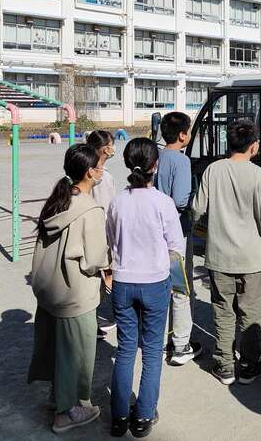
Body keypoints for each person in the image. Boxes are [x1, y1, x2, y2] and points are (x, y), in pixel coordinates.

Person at [191, 118, 261, 386]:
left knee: (223, 310)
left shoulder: (212, 171)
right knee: (251, 313)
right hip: (252, 259)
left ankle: (224, 365)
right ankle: (250, 363)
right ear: (254, 147)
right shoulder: (260, 177)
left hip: (219, 256)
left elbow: (197, 209)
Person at [28, 144, 109, 434]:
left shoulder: (57, 201)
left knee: (58, 352)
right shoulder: (89, 209)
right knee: (77, 356)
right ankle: (66, 412)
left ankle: (58, 399)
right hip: (76, 294)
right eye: (100, 164)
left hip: (50, 291)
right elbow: (95, 259)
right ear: (90, 172)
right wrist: (107, 271)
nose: (103, 169)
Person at [108, 138, 183, 438]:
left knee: (126, 349)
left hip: (123, 282)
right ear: (156, 166)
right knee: (152, 352)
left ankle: (119, 417)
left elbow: (111, 241)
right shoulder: (163, 203)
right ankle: (144, 416)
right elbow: (176, 248)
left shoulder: (117, 201)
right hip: (155, 282)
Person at [155, 112, 201, 366]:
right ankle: (181, 344)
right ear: (183, 135)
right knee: (181, 287)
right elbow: (182, 199)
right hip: (177, 231)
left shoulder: (158, 157)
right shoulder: (181, 162)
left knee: (161, 285)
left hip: (156, 232)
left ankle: (161, 340)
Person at [87, 130, 117, 340]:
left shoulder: (88, 171)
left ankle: (92, 319)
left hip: (90, 230)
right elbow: (108, 209)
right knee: (104, 275)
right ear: (106, 149)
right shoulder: (102, 177)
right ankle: (92, 320)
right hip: (101, 231)